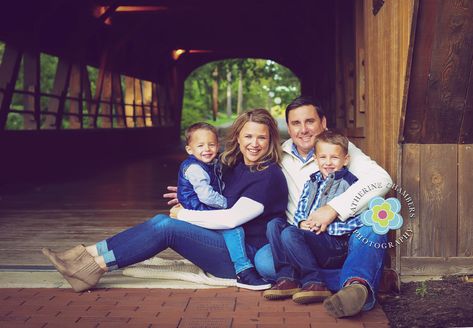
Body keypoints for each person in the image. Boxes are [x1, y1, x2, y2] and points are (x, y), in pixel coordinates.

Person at [41, 108, 288, 293]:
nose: (254, 144)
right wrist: (187, 194)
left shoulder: (268, 176)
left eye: (261, 138)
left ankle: (91, 269)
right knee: (162, 221)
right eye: (248, 137)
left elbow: (231, 218)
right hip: (222, 240)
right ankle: (85, 256)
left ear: (270, 140)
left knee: (167, 227)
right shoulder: (235, 165)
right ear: (238, 137)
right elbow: (212, 187)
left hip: (243, 256)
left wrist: (185, 214)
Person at [252, 96, 392, 318]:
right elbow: (243, 168)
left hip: (341, 237)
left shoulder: (340, 148)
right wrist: (193, 196)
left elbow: (382, 179)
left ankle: (355, 286)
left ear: (323, 123)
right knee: (264, 262)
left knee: (373, 227)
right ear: (288, 127)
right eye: (296, 123)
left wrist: (333, 208)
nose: (303, 130)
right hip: (301, 238)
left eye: (310, 121)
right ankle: (361, 279)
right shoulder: (279, 153)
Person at [263, 129, 364, 304]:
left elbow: (359, 218)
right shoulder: (311, 182)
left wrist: (326, 225)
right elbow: (300, 211)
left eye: (334, 157)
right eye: (323, 157)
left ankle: (315, 282)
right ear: (316, 159)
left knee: (289, 234)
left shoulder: (351, 184)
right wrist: (302, 223)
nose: (328, 162)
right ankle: (287, 279)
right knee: (275, 225)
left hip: (334, 245)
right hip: (312, 238)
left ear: (345, 159)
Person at [174, 121, 270, 290]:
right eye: (200, 145)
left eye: (211, 144)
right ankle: (243, 270)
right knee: (234, 229)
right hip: (198, 208)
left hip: (198, 205)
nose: (207, 149)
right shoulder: (195, 168)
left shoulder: (212, 164)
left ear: (218, 146)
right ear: (189, 150)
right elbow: (206, 195)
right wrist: (227, 205)